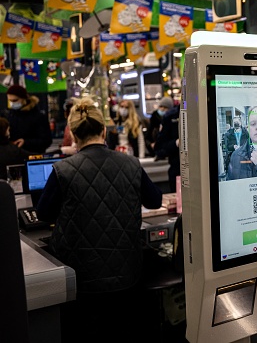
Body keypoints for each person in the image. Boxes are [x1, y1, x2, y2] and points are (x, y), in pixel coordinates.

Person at [35, 97, 162, 343]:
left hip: (82, 281)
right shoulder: (131, 163)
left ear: (72, 134)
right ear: (104, 130)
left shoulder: (63, 170)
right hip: (129, 274)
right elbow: (155, 201)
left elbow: (43, 214)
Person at [4, 84, 52, 154]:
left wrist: (26, 142)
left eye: (15, 100)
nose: (12, 103)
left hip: (32, 156)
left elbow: (46, 141)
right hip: (13, 155)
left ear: (24, 99)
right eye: (10, 101)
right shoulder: (9, 116)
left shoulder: (38, 117)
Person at [155, 103, 180, 193]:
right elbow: (159, 148)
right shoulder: (170, 116)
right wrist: (176, 143)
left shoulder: (206, 111)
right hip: (178, 170)